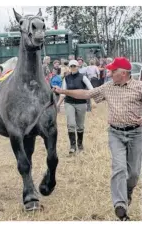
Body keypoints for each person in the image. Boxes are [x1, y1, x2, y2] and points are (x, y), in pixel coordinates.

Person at [53, 57, 142, 221]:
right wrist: (63, 91)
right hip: (116, 134)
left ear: (123, 73)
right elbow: (86, 93)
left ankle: (128, 191)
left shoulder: (139, 87)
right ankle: (120, 205)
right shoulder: (108, 87)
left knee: (134, 173)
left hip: (136, 135)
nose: (110, 73)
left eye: (113, 71)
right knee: (119, 168)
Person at [56, 60, 93, 154]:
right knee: (71, 124)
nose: (73, 67)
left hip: (81, 103)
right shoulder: (66, 78)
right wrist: (58, 104)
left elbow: (91, 89)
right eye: (71, 66)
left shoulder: (83, 77)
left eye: (74, 66)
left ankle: (80, 144)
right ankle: (72, 146)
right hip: (69, 103)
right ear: (69, 67)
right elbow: (63, 92)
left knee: (80, 126)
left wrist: (92, 100)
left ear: (78, 67)